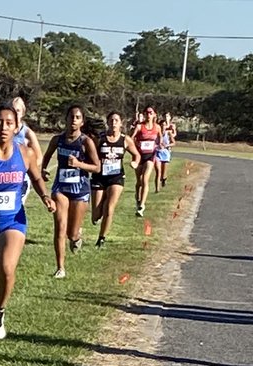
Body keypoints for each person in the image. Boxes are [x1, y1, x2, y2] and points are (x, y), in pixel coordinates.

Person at [0, 104, 55, 340]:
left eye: (8, 123)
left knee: (6, 268)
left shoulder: (25, 153)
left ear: (16, 127)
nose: (3, 127)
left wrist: (45, 196)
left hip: (12, 220)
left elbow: (36, 177)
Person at [41, 103, 101, 278]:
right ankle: (60, 268)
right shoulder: (57, 140)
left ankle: (76, 237)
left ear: (82, 122)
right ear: (65, 119)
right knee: (60, 227)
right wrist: (44, 170)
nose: (73, 120)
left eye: (77, 117)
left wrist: (79, 164)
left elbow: (97, 167)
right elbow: (47, 156)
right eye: (71, 117)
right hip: (60, 188)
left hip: (80, 189)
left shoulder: (86, 142)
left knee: (71, 233)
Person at [90, 111, 141, 248]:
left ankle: (101, 238)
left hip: (116, 177)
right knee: (95, 214)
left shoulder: (125, 140)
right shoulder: (100, 138)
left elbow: (136, 155)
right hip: (99, 177)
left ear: (121, 123)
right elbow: (91, 153)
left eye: (116, 121)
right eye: (111, 120)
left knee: (109, 208)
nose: (113, 123)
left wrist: (135, 163)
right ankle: (97, 216)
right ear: (107, 122)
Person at [9, 95, 43, 201]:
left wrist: (24, 168)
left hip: (21, 178)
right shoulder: (4, 130)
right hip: (4, 175)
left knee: (17, 205)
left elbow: (39, 158)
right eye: (13, 110)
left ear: (23, 113)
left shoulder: (27, 133)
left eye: (18, 110)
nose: (15, 113)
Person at [131, 107, 162, 216]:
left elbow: (160, 139)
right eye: (147, 112)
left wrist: (159, 145)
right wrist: (135, 147)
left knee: (145, 179)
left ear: (154, 115)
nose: (149, 114)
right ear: (144, 114)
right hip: (139, 156)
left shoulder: (157, 127)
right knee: (139, 182)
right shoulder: (140, 127)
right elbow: (130, 139)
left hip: (150, 156)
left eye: (151, 112)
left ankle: (142, 206)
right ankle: (138, 199)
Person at [156, 112, 177, 189]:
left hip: (166, 152)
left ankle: (164, 179)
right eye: (161, 125)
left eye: (164, 125)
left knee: (164, 170)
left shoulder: (168, 132)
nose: (163, 126)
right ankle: (157, 186)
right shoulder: (157, 133)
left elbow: (174, 142)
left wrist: (166, 145)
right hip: (158, 152)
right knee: (158, 169)